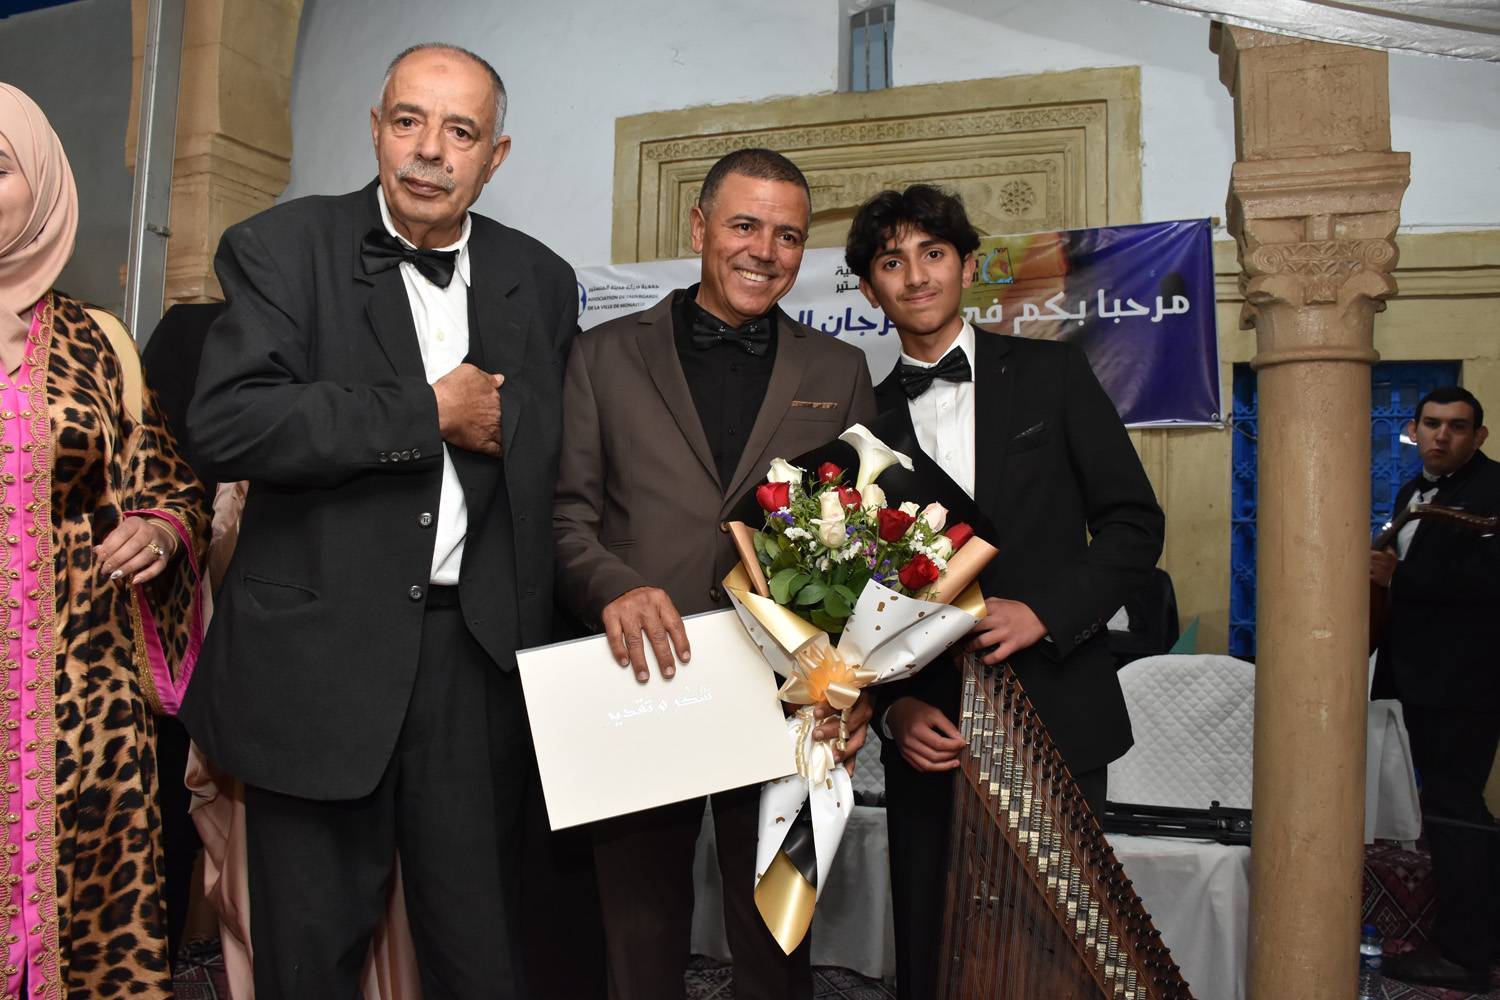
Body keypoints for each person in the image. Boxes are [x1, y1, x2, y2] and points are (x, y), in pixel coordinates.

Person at [180, 43, 577, 999]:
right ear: (375, 130)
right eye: (408, 121)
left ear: (496, 156)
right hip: (315, 668)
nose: (430, 150)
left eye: (460, 131)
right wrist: (426, 413)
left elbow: (555, 468)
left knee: (484, 964)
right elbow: (228, 423)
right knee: (308, 963)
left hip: (474, 670)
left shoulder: (540, 278)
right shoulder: (281, 247)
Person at [553, 147, 877, 1000]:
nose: (764, 251)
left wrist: (852, 690)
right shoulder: (601, 355)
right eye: (744, 225)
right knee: (639, 933)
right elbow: (566, 518)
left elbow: (864, 547)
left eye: (788, 236)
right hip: (637, 678)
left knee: (778, 936)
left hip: (786, 696)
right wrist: (612, 587)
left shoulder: (839, 370)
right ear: (699, 227)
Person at [843, 184, 1165, 1000]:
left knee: (1063, 945)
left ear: (966, 266)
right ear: (870, 290)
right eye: (891, 262)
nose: (916, 275)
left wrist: (1046, 611)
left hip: (1059, 710)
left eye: (933, 253)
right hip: (932, 731)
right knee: (934, 947)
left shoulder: (1053, 373)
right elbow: (853, 601)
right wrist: (892, 710)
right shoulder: (861, 426)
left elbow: (1133, 525)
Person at [0, 82, 209, 997]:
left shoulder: (99, 342)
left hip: (83, 703)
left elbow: (168, 486)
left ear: (43, 184)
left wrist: (158, 534)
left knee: (87, 929)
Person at [1372, 386, 1500, 991]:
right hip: (1423, 678)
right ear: (1414, 429)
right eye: (1431, 423)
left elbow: (1488, 579)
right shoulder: (1410, 493)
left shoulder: (1494, 488)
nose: (1441, 435)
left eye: (1457, 425)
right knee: (1450, 810)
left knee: (1456, 811)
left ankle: (1463, 954)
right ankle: (1477, 938)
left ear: (1479, 436)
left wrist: (1400, 575)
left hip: (1468, 682)